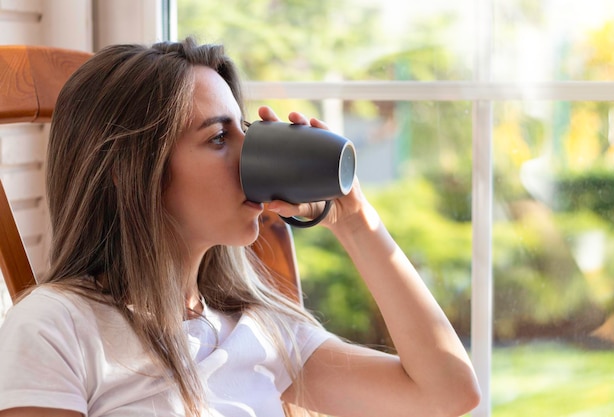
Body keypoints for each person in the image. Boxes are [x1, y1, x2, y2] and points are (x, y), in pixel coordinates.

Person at [0, 37, 480, 417]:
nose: (248, 155)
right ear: (135, 172)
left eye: (246, 131)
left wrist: (356, 222)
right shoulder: (57, 328)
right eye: (218, 138)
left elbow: (446, 394)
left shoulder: (259, 329)